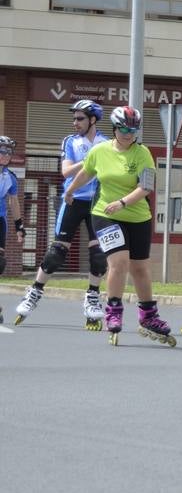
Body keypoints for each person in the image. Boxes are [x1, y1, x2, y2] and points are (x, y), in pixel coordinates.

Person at [63, 106, 175, 346]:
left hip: (137, 216)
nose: (128, 133)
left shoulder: (142, 153)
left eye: (133, 129)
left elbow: (145, 187)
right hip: (105, 214)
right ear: (114, 128)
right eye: (124, 128)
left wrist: (123, 202)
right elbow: (86, 172)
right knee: (119, 262)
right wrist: (71, 190)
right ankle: (113, 309)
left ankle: (148, 316)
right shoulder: (100, 151)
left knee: (140, 269)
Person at [14, 101, 109, 328]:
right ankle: (35, 292)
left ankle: (93, 297)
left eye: (79, 119)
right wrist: (89, 161)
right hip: (73, 199)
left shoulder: (107, 143)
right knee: (57, 252)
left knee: (98, 254)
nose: (74, 122)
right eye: (74, 118)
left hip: (98, 201)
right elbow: (65, 171)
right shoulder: (71, 141)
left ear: (92, 120)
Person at [0, 135, 25, 326]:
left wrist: (19, 226)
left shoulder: (10, 177)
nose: (6, 155)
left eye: (9, 151)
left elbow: (14, 201)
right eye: (2, 150)